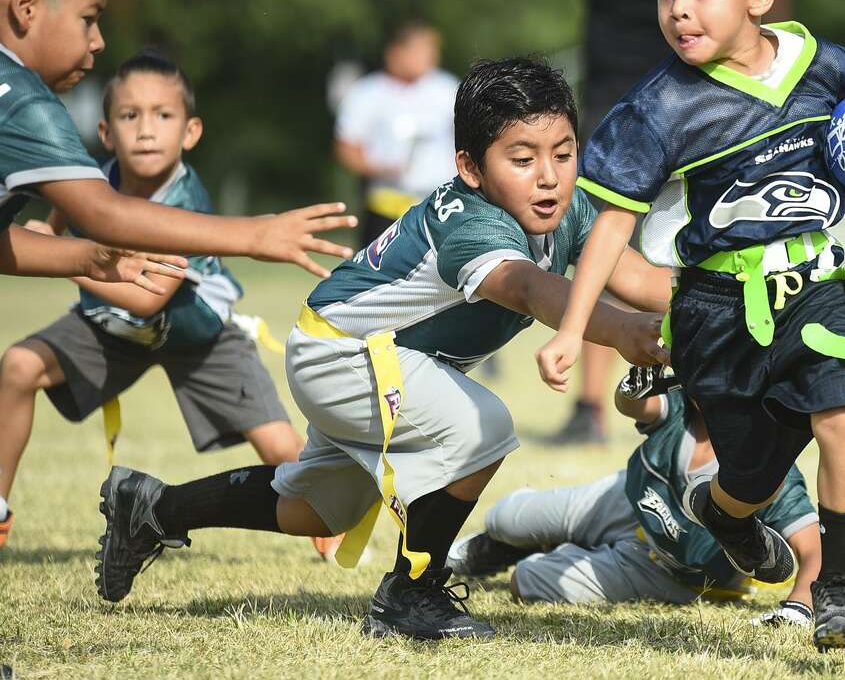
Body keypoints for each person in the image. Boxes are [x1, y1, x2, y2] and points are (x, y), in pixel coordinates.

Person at [92, 57, 671, 641]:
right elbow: (527, 288)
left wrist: (723, 302)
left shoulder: (565, 209)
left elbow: (640, 278)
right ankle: (410, 595)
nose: (548, 176)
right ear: (470, 168)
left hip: (367, 356)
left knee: (316, 511)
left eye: (563, 154)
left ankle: (152, 507)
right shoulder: (472, 223)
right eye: (522, 159)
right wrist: (620, 331)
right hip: (341, 354)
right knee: (480, 427)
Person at [536, 0, 845, 653]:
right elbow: (610, 227)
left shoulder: (831, 66)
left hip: (817, 285)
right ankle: (725, 512)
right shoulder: (657, 109)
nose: (679, 10)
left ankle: (839, 594)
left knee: (841, 413)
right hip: (717, 311)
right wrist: (570, 327)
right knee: (748, 478)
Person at [0, 50, 345, 553]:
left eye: (163, 116)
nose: (145, 130)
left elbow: (148, 296)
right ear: (105, 131)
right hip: (110, 329)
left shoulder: (184, 200)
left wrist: (62, 257)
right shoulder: (89, 181)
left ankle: (327, 518)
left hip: (200, 337)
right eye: (129, 115)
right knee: (17, 366)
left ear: (190, 133)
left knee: (279, 448)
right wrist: (51, 235)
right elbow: (61, 220)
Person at [0, 0, 357, 281]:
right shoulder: (21, 99)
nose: (99, 41)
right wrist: (255, 234)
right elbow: (104, 213)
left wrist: (86, 259)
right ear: (27, 7)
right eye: (88, 18)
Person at [551, 0, 766, 445]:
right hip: (716, 89)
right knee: (724, 231)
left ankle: (595, 402)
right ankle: (720, 389)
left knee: (609, 231)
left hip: (614, 85)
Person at [448, 364, 821, 626]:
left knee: (527, 582)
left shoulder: (769, 470)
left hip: (667, 573)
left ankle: (542, 546)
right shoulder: (677, 408)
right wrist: (639, 376)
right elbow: (631, 402)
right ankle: (515, 540)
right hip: (624, 501)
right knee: (505, 518)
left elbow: (812, 554)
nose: (711, 382)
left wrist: (799, 607)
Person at [334, 21, 458, 246]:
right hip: (386, 204)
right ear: (395, 52)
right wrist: (379, 167)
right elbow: (347, 147)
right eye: (421, 51)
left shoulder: (448, 89)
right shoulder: (367, 93)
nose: (430, 57)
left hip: (440, 203)